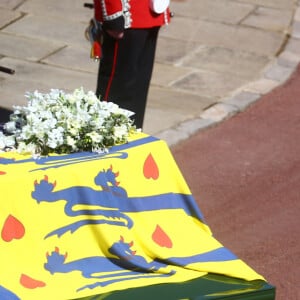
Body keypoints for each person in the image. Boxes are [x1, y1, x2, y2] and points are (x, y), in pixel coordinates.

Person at [91, 0, 171, 129]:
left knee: (138, 91)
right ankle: (106, 140)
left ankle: (132, 139)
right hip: (127, 19)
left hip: (148, 15)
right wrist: (114, 16)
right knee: (118, 92)